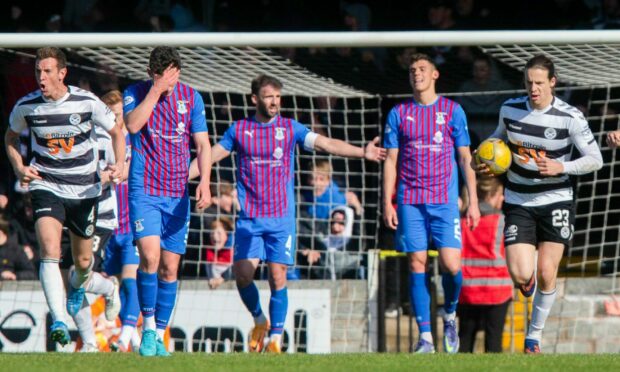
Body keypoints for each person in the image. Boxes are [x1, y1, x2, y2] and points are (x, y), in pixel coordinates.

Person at [209, 74, 386, 353]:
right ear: (255, 99)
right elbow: (213, 154)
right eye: (269, 97)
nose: (275, 102)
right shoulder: (239, 130)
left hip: (280, 220)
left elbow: (327, 144)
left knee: (277, 276)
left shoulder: (290, 128)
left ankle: (275, 339)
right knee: (243, 275)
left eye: (278, 97)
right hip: (250, 220)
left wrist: (362, 153)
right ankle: (260, 320)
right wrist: (184, 173)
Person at [474, 55, 603, 353]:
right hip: (519, 199)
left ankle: (534, 336)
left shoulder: (570, 116)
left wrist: (563, 168)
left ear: (552, 83)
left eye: (540, 83)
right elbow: (496, 141)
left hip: (557, 198)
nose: (534, 88)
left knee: (547, 271)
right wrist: (479, 159)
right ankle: (527, 284)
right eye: (529, 82)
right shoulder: (510, 109)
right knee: (521, 275)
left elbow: (595, 159)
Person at [4, 47, 125, 347]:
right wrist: (19, 167)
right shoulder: (26, 106)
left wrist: (120, 164)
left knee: (83, 264)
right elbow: (9, 137)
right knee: (49, 249)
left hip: (84, 191)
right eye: (37, 71)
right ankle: (58, 319)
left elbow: (117, 133)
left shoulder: (87, 102)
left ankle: (108, 287)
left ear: (62, 72)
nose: (41, 77)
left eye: (47, 71)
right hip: (47, 186)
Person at [383, 53, 480, 354]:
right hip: (410, 201)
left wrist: (473, 200)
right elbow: (391, 160)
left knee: (452, 265)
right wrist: (388, 202)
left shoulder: (452, 111)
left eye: (423, 69)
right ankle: (425, 337)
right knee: (417, 262)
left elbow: (466, 158)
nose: (417, 74)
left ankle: (449, 313)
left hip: (445, 202)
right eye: (412, 70)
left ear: (435, 75)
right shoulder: (399, 113)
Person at [123, 46, 211, 357]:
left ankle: (159, 335)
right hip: (144, 190)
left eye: (173, 76)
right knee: (150, 257)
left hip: (177, 194)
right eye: (163, 77)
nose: (169, 83)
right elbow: (132, 125)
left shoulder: (192, 98)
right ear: (152, 74)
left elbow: (202, 144)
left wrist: (205, 182)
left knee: (170, 268)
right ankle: (146, 331)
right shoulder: (135, 92)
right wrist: (156, 90)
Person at [101, 89, 141, 352]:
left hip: (133, 222)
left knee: (130, 279)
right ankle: (133, 337)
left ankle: (125, 334)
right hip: (108, 223)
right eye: (110, 115)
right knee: (113, 285)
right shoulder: (100, 142)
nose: (115, 120)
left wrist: (125, 172)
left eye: (118, 115)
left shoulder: (137, 140)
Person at [457, 177, 513, 353]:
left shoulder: (461, 221)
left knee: (464, 341)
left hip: (466, 291)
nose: (503, 198)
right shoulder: (503, 222)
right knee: (494, 343)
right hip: (497, 292)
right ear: (491, 196)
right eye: (501, 194)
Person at [0, 216, 36, 280]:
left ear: (2, 232)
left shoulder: (16, 251)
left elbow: (31, 273)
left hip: (12, 287)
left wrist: (14, 275)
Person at [205, 218, 234, 289]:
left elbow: (237, 269)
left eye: (219, 233)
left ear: (227, 235)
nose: (214, 236)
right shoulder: (209, 250)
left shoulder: (233, 251)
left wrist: (223, 278)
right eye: (212, 233)